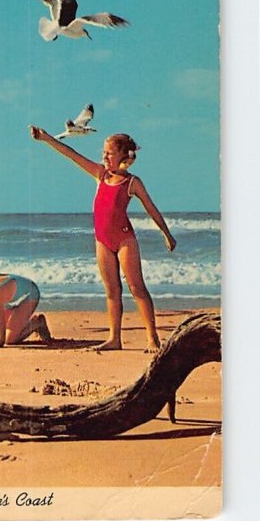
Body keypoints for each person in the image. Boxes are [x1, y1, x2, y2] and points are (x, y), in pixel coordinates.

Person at [29, 127, 176, 352]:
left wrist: (166, 233)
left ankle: (152, 338)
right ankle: (114, 339)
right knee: (111, 291)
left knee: (137, 288)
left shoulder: (132, 182)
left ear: (123, 155)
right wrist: (46, 138)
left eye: (109, 153)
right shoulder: (101, 174)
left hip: (125, 239)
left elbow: (151, 208)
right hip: (102, 240)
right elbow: (71, 154)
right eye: (103, 152)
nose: (104, 157)